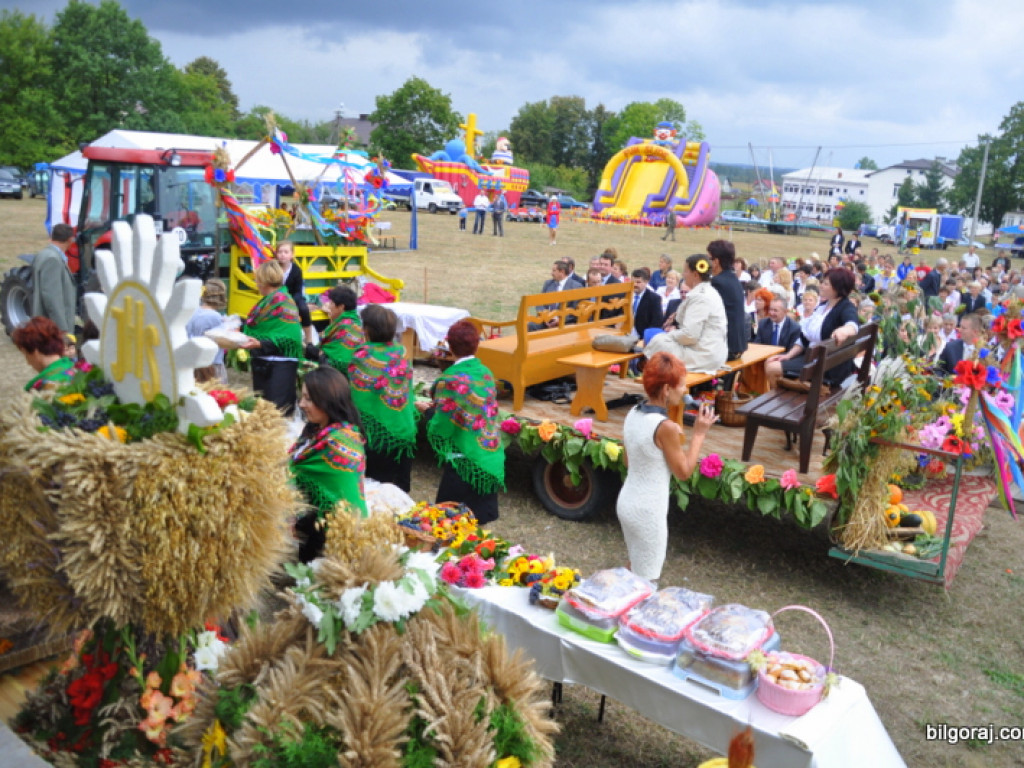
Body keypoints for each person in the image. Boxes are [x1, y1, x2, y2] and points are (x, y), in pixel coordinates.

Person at [616, 352, 717, 583]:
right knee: (646, 583)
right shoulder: (666, 427)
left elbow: (627, 461)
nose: (684, 391)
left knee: (632, 570)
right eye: (681, 386)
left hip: (627, 503)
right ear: (666, 390)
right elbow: (683, 473)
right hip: (648, 512)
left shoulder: (632, 413)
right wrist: (699, 434)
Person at [425, 320, 505, 524]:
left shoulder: (450, 379)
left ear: (449, 346)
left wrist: (428, 414)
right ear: (477, 345)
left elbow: (443, 424)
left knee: (449, 522)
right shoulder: (486, 373)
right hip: (487, 455)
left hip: (464, 460)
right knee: (478, 524)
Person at [290, 366, 367, 562]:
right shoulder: (317, 429)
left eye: (308, 399)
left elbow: (291, 467)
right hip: (317, 518)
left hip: (338, 528)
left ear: (327, 400)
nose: (301, 404)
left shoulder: (338, 441)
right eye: (302, 397)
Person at [348, 304, 417, 492]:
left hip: (373, 437)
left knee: (375, 491)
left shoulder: (361, 357)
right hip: (403, 431)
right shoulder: (401, 355)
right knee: (398, 494)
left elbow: (355, 397)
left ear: (367, 330)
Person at [765, 268, 860, 390]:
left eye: (826, 283)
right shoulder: (823, 306)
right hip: (814, 359)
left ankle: (775, 403)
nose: (821, 286)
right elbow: (805, 338)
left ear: (837, 287)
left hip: (826, 367)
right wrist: (788, 355)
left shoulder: (845, 307)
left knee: (772, 368)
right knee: (770, 362)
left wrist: (844, 331)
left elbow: (853, 324)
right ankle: (777, 400)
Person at [643, 254, 728, 374]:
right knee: (658, 338)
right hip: (710, 351)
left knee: (658, 341)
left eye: (685, 271)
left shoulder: (700, 296)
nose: (683, 274)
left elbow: (690, 335)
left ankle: (659, 383)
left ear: (695, 275)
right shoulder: (709, 291)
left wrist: (671, 335)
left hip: (704, 356)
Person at [240, 260, 304, 415]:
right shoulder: (267, 301)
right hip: (263, 362)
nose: (256, 283)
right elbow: (258, 326)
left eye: (257, 279)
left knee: (277, 413)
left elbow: (290, 338)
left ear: (263, 281)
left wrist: (261, 343)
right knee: (263, 410)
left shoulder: (282, 301)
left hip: (281, 367)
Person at [31, 223, 77, 334]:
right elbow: (52, 297)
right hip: (53, 327)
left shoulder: (43, 254)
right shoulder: (53, 260)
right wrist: (62, 328)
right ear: (70, 240)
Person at [707, 240, 749, 361]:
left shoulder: (717, 282)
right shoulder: (733, 279)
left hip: (727, 347)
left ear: (716, 261)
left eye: (709, 259)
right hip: (738, 344)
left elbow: (708, 314)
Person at [13, 316, 76, 392]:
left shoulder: (42, 386)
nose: (28, 363)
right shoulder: (77, 368)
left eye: (26, 355)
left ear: (35, 353)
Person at [186, 279, 229, 385]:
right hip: (212, 363)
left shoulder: (193, 312)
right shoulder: (215, 317)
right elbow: (223, 340)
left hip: (193, 361)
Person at [276, 240, 315, 345]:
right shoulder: (274, 268)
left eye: (286, 252)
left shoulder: (296, 270)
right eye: (280, 252)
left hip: (294, 297)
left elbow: (298, 291)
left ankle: (309, 339)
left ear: (292, 255)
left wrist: (291, 301)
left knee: (304, 309)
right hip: (276, 297)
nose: (282, 255)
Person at [318, 285, 364, 372]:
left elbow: (324, 342)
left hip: (338, 371)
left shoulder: (343, 325)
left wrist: (320, 353)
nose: (329, 306)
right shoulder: (355, 320)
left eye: (331, 303)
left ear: (341, 307)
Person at [628, 269, 664, 339]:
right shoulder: (626, 296)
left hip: (643, 337)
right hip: (625, 335)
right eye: (633, 282)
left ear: (646, 282)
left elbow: (657, 322)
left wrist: (646, 337)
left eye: (638, 282)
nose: (635, 284)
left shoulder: (654, 299)